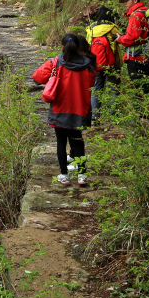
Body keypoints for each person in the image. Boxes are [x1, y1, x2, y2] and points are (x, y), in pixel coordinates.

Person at [32, 34, 97, 186]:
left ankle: (64, 176)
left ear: (62, 47)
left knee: (61, 142)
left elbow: (37, 77)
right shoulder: (88, 65)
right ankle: (82, 176)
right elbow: (92, 82)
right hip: (80, 108)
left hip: (59, 108)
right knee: (77, 141)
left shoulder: (55, 62)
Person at [88, 6, 122, 124]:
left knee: (96, 90)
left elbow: (88, 45)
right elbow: (120, 40)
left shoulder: (91, 29)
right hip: (112, 64)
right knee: (114, 89)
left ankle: (94, 118)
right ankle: (114, 118)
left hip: (96, 65)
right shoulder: (113, 28)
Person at [117, 0, 149, 95]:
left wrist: (120, 39)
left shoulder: (135, 15)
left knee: (137, 90)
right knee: (146, 88)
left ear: (135, 0)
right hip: (148, 55)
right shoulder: (146, 12)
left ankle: (139, 110)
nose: (125, 3)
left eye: (127, 0)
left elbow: (132, 38)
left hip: (136, 57)